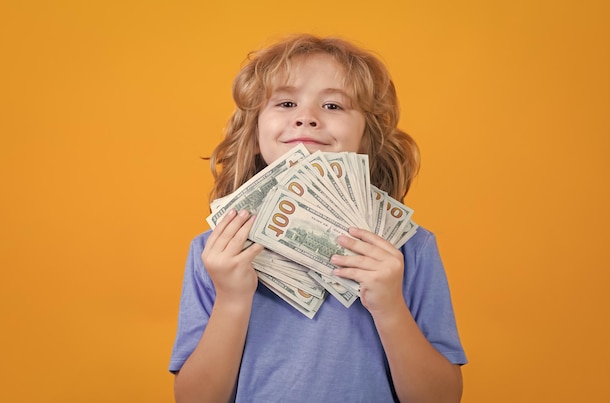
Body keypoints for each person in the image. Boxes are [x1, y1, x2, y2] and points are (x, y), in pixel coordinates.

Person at [169, 33, 467, 402]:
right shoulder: (214, 252)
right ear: (255, 130)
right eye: (287, 102)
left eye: (333, 106)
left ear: (366, 137)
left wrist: (389, 307)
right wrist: (231, 298)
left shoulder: (410, 249)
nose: (306, 118)